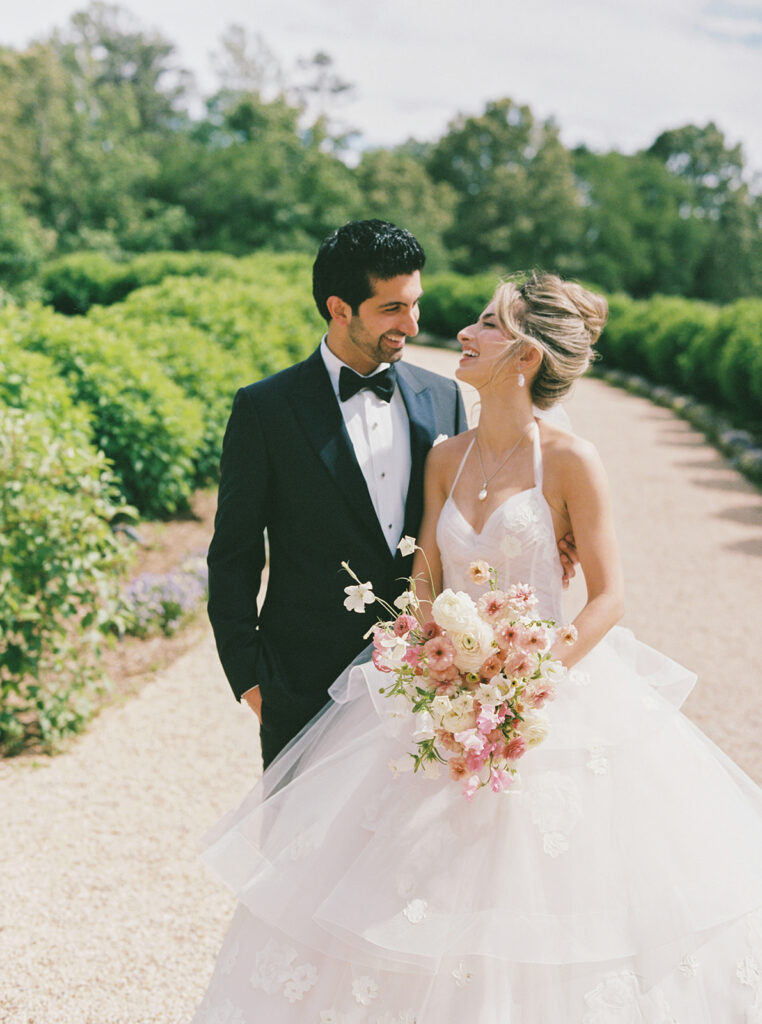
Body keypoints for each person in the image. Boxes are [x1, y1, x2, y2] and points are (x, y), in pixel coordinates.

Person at [193, 273, 762, 1021]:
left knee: (545, 907)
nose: (463, 331)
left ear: (525, 356)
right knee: (389, 895)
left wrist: (527, 682)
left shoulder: (571, 460)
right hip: (445, 697)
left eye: (489, 323)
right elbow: (425, 582)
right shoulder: (446, 458)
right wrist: (434, 673)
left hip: (543, 696)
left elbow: (609, 598)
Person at [207, 220, 467, 767]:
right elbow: (233, 555)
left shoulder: (443, 398)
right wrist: (251, 679)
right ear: (339, 308)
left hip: (428, 685)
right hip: (304, 687)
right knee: (298, 827)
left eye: (415, 304)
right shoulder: (265, 409)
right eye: (393, 308)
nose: (413, 325)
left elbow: (463, 522)